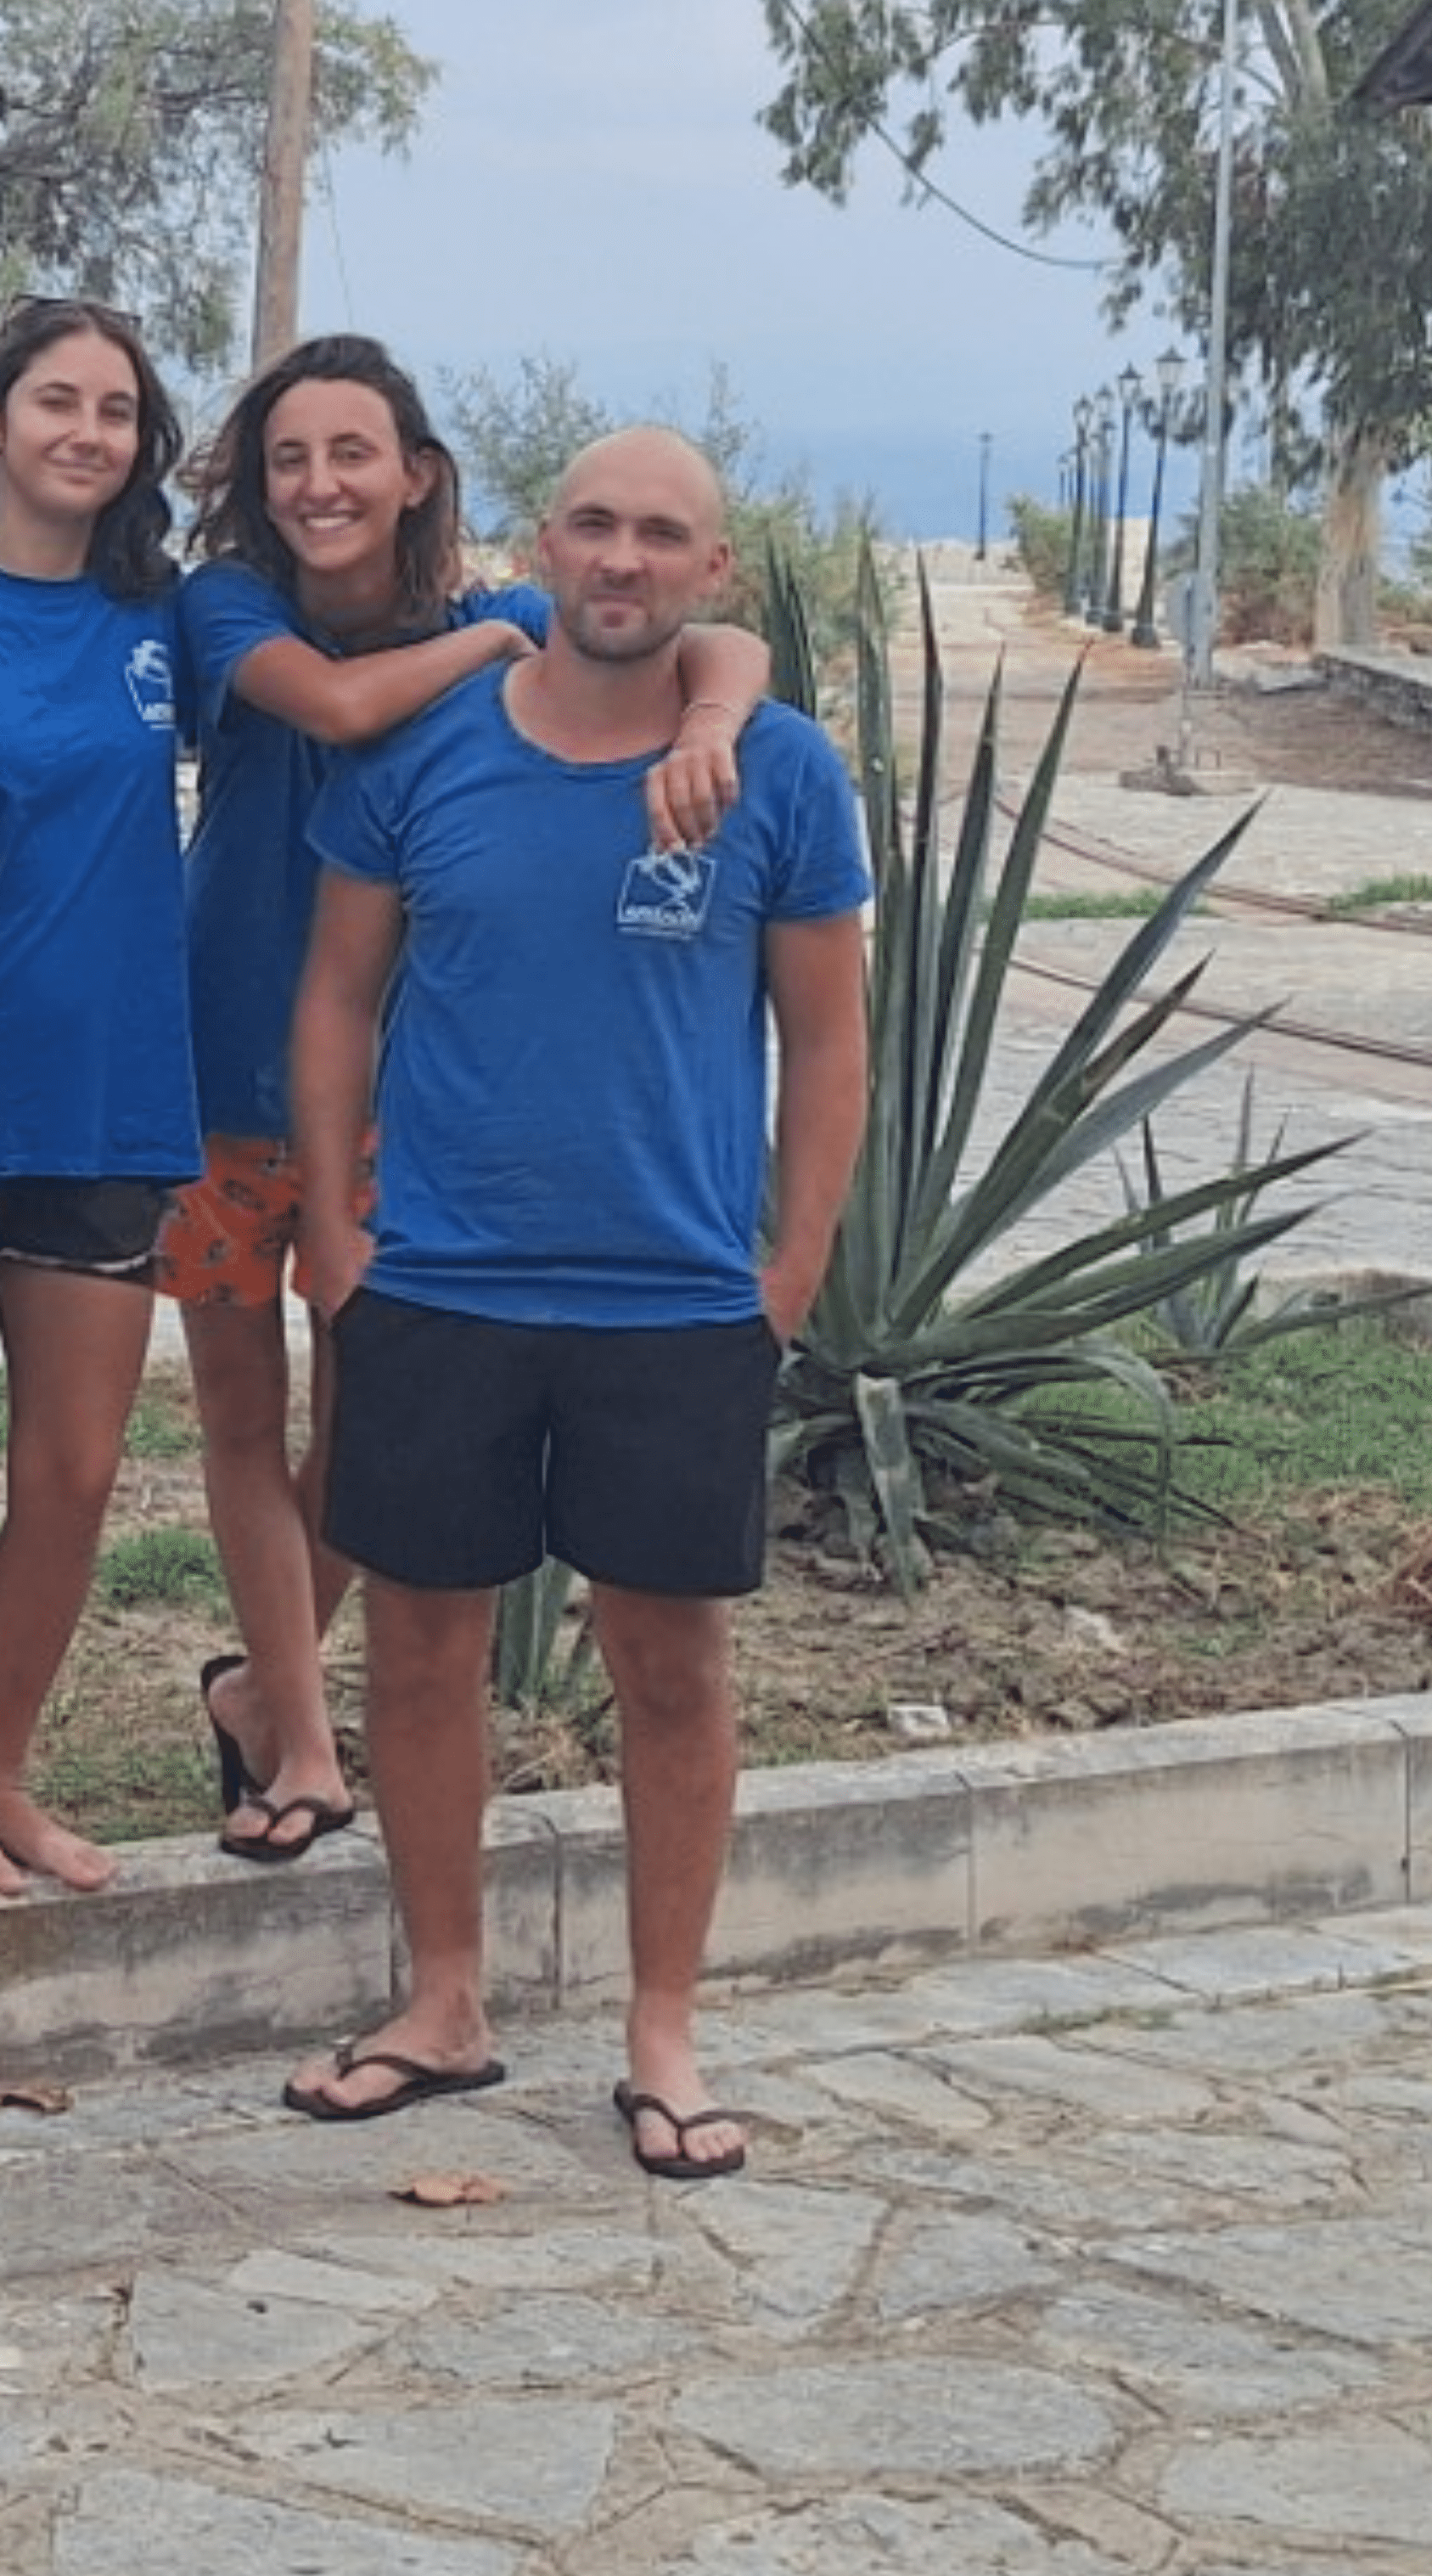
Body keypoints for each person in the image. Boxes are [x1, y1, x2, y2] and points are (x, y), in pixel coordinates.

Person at [277, 426, 871, 2182]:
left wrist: (790, 1274)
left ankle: (664, 2030)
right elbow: (333, 996)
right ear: (548, 547)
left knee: (671, 1665)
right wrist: (332, 1233)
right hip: (440, 1280)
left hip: (676, 1297)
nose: (622, 559)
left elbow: (828, 1036)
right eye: (595, 526)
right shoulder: (426, 751)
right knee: (423, 1643)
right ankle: (442, 2000)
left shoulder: (779, 769)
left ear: (712, 575)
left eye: (661, 536)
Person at [162, 340, 766, 1864]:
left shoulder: (498, 610)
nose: (320, 486)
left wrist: (704, 729)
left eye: (352, 453)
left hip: (397, 1101)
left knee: (372, 1436)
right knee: (241, 1415)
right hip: (208, 1087)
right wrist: (496, 650)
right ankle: (301, 1737)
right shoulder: (229, 606)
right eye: (289, 458)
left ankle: (258, 1697)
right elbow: (345, 708)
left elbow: (724, 653)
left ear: (416, 471)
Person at [0, 294, 198, 1903]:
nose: (90, 432)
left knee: (73, 1473)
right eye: (58, 401)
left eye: (120, 411)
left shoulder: (172, 622)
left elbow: (350, 675)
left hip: (107, 1094)